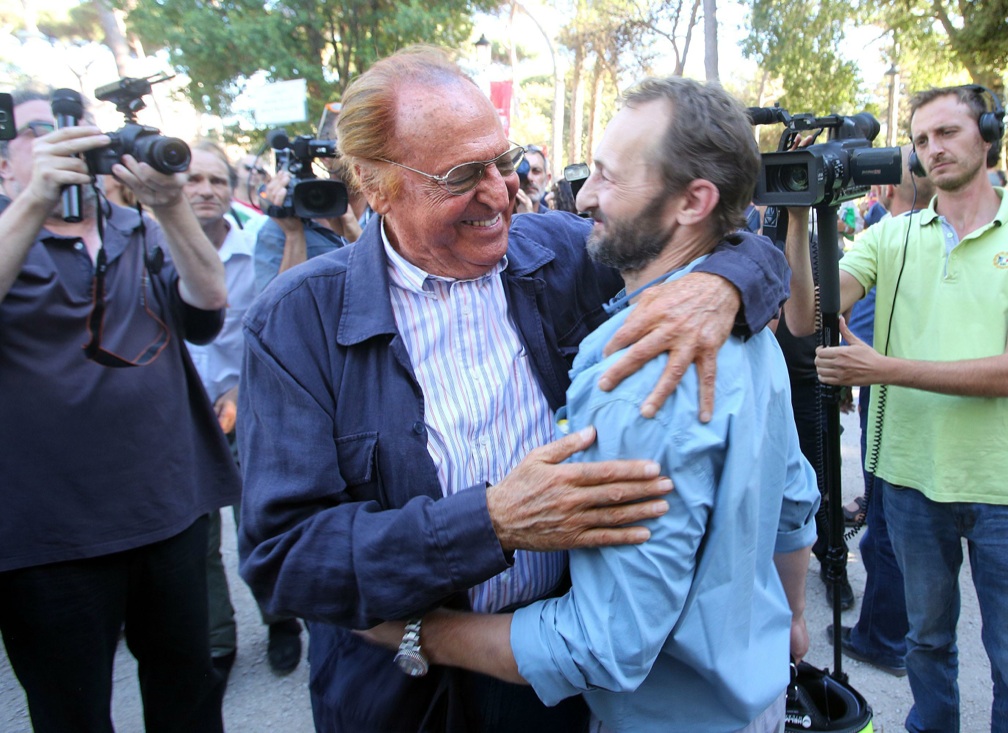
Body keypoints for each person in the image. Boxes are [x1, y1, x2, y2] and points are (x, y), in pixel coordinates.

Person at [237, 46, 790, 733]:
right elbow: (284, 559)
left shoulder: (558, 254)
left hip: (554, 686)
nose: (501, 193)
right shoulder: (299, 321)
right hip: (400, 688)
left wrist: (723, 283)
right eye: (462, 175)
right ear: (376, 185)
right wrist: (491, 522)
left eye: (504, 160)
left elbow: (714, 233)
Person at [785, 84, 1008, 733]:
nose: (933, 149)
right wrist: (798, 219)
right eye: (921, 139)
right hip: (911, 482)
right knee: (925, 644)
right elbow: (805, 315)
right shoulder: (892, 236)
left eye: (947, 132)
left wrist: (884, 369)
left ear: (989, 134)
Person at [0, 88, 237, 731]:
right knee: (70, 712)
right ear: (4, 162)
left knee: (188, 696)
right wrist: (36, 200)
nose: (68, 139)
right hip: (48, 533)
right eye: (40, 131)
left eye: (79, 128)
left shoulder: (136, 229)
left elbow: (207, 309)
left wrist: (170, 205)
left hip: (166, 507)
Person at [183, 141, 305, 677]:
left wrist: (239, 390)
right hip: (182, 415)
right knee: (197, 538)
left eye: (216, 179)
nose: (205, 190)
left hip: (245, 406)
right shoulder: (149, 244)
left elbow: (275, 314)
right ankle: (216, 639)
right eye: (193, 179)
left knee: (255, 522)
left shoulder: (258, 238)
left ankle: (280, 620)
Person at [830, 145, 935, 678]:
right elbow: (826, 301)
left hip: (889, 390)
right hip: (896, 386)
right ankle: (893, 632)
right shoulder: (887, 239)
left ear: (888, 185)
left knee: (887, 522)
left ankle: (883, 638)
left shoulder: (895, 235)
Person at [252, 158, 365, 292]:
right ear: (326, 159)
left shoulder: (382, 212)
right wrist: (293, 234)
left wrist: (357, 237)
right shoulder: (279, 226)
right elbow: (273, 302)